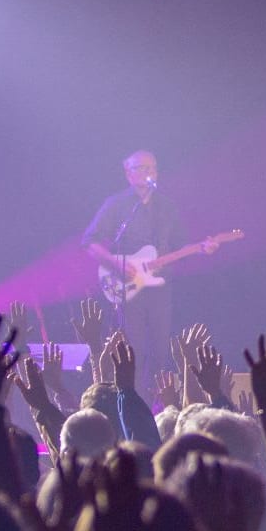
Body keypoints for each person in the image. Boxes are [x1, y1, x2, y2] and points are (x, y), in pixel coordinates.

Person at [82, 150, 183, 384]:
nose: (150, 173)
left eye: (153, 168)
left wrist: (201, 247)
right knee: (132, 349)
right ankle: (132, 399)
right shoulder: (117, 205)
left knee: (160, 348)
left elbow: (180, 243)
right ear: (129, 174)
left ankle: (160, 403)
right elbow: (90, 242)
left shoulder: (166, 207)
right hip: (127, 289)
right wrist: (114, 262)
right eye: (143, 168)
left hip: (159, 287)